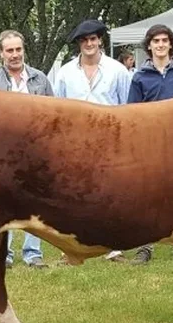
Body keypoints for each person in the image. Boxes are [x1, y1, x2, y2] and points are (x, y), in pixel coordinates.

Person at [55, 19, 131, 261]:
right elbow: (57, 108)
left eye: (93, 39)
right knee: (72, 194)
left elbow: (128, 106)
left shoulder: (117, 70)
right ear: (79, 44)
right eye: (84, 40)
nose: (89, 44)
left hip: (110, 139)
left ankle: (115, 246)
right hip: (75, 141)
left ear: (100, 41)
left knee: (112, 194)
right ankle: (71, 246)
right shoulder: (65, 72)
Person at [0, 30, 54, 269]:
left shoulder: (40, 79)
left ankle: (33, 254)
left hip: (35, 150)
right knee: (2, 203)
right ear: (1, 53)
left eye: (18, 49)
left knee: (35, 201)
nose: (14, 55)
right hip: (1, 153)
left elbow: (53, 114)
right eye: (9, 50)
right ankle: (5, 254)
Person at [126, 24, 173, 264]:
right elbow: (131, 115)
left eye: (164, 40)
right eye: (155, 41)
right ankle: (144, 247)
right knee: (146, 197)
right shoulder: (139, 77)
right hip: (149, 146)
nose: (160, 45)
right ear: (149, 45)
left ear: (170, 44)